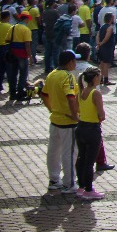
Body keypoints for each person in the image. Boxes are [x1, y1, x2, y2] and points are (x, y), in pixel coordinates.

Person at [42, 50, 80, 194]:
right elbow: (70, 97)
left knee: (53, 151)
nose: (75, 63)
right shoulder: (67, 77)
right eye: (74, 61)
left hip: (55, 119)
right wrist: (74, 115)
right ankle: (69, 183)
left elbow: (44, 94)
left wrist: (51, 109)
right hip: (67, 122)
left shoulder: (52, 74)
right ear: (70, 62)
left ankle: (54, 179)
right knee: (69, 153)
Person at [74, 67, 107, 200]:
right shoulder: (95, 93)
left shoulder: (81, 91)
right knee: (90, 161)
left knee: (81, 158)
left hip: (81, 127)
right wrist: (101, 117)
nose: (100, 78)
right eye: (99, 76)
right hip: (92, 129)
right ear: (94, 78)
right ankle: (89, 189)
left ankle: (81, 187)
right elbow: (101, 114)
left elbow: (78, 109)